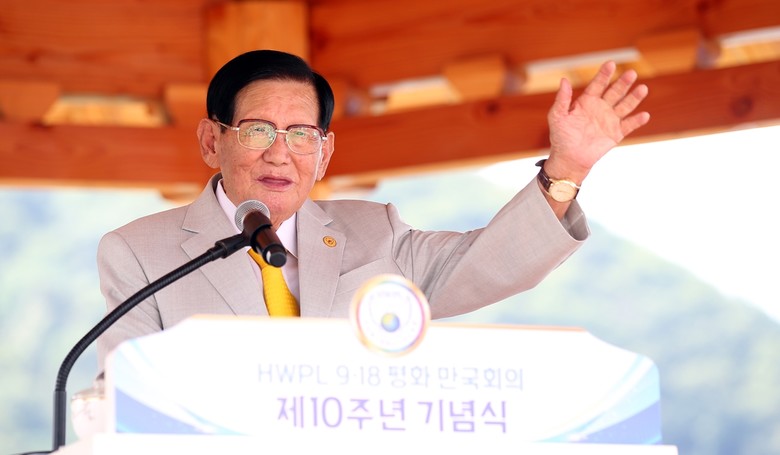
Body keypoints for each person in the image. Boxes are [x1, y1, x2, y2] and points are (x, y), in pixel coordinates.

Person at [96, 49, 649, 370]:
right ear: (211, 140)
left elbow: (489, 263)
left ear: (325, 152)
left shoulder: (374, 232)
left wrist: (567, 169)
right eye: (258, 130)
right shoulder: (139, 252)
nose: (280, 153)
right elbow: (126, 394)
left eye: (301, 134)